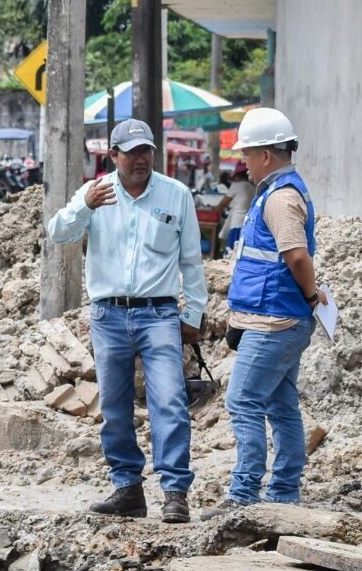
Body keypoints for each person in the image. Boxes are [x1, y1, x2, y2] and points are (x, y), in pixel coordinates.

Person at [47, 119, 207, 523]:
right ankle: (128, 489)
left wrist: (193, 314)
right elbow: (57, 234)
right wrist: (85, 206)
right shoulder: (95, 193)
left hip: (159, 314)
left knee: (169, 400)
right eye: (131, 152)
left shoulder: (176, 195)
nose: (140, 159)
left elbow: (192, 261)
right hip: (109, 315)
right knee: (115, 406)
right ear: (112, 155)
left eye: (146, 151)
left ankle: (174, 492)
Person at [202, 108, 322, 519]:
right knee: (281, 404)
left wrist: (310, 296)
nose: (244, 162)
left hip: (276, 322)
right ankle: (284, 493)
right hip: (277, 318)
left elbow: (296, 256)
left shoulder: (281, 198)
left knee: (243, 400)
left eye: (248, 154)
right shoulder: (279, 191)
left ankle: (244, 494)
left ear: (267, 156)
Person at [217, 161, 255, 254]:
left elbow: (223, 203)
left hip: (237, 222)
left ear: (237, 175)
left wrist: (215, 209)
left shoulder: (236, 185)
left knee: (231, 251)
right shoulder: (252, 187)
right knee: (240, 252)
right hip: (248, 223)